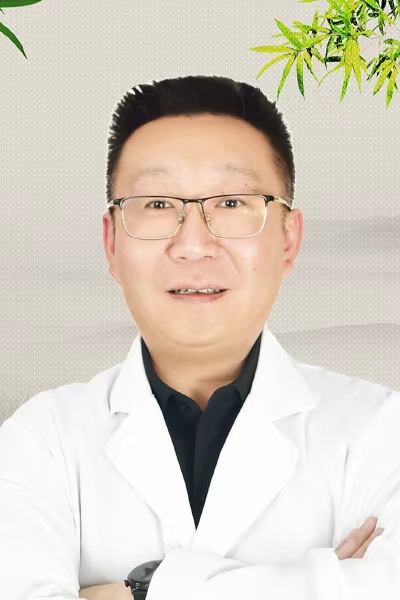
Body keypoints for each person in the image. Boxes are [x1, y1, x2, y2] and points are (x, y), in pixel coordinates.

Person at [0, 74, 399, 600]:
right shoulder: (42, 440)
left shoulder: (381, 431)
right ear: (112, 243)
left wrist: (138, 592)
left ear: (288, 238)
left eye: (231, 203)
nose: (193, 244)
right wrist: (328, 583)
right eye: (158, 205)